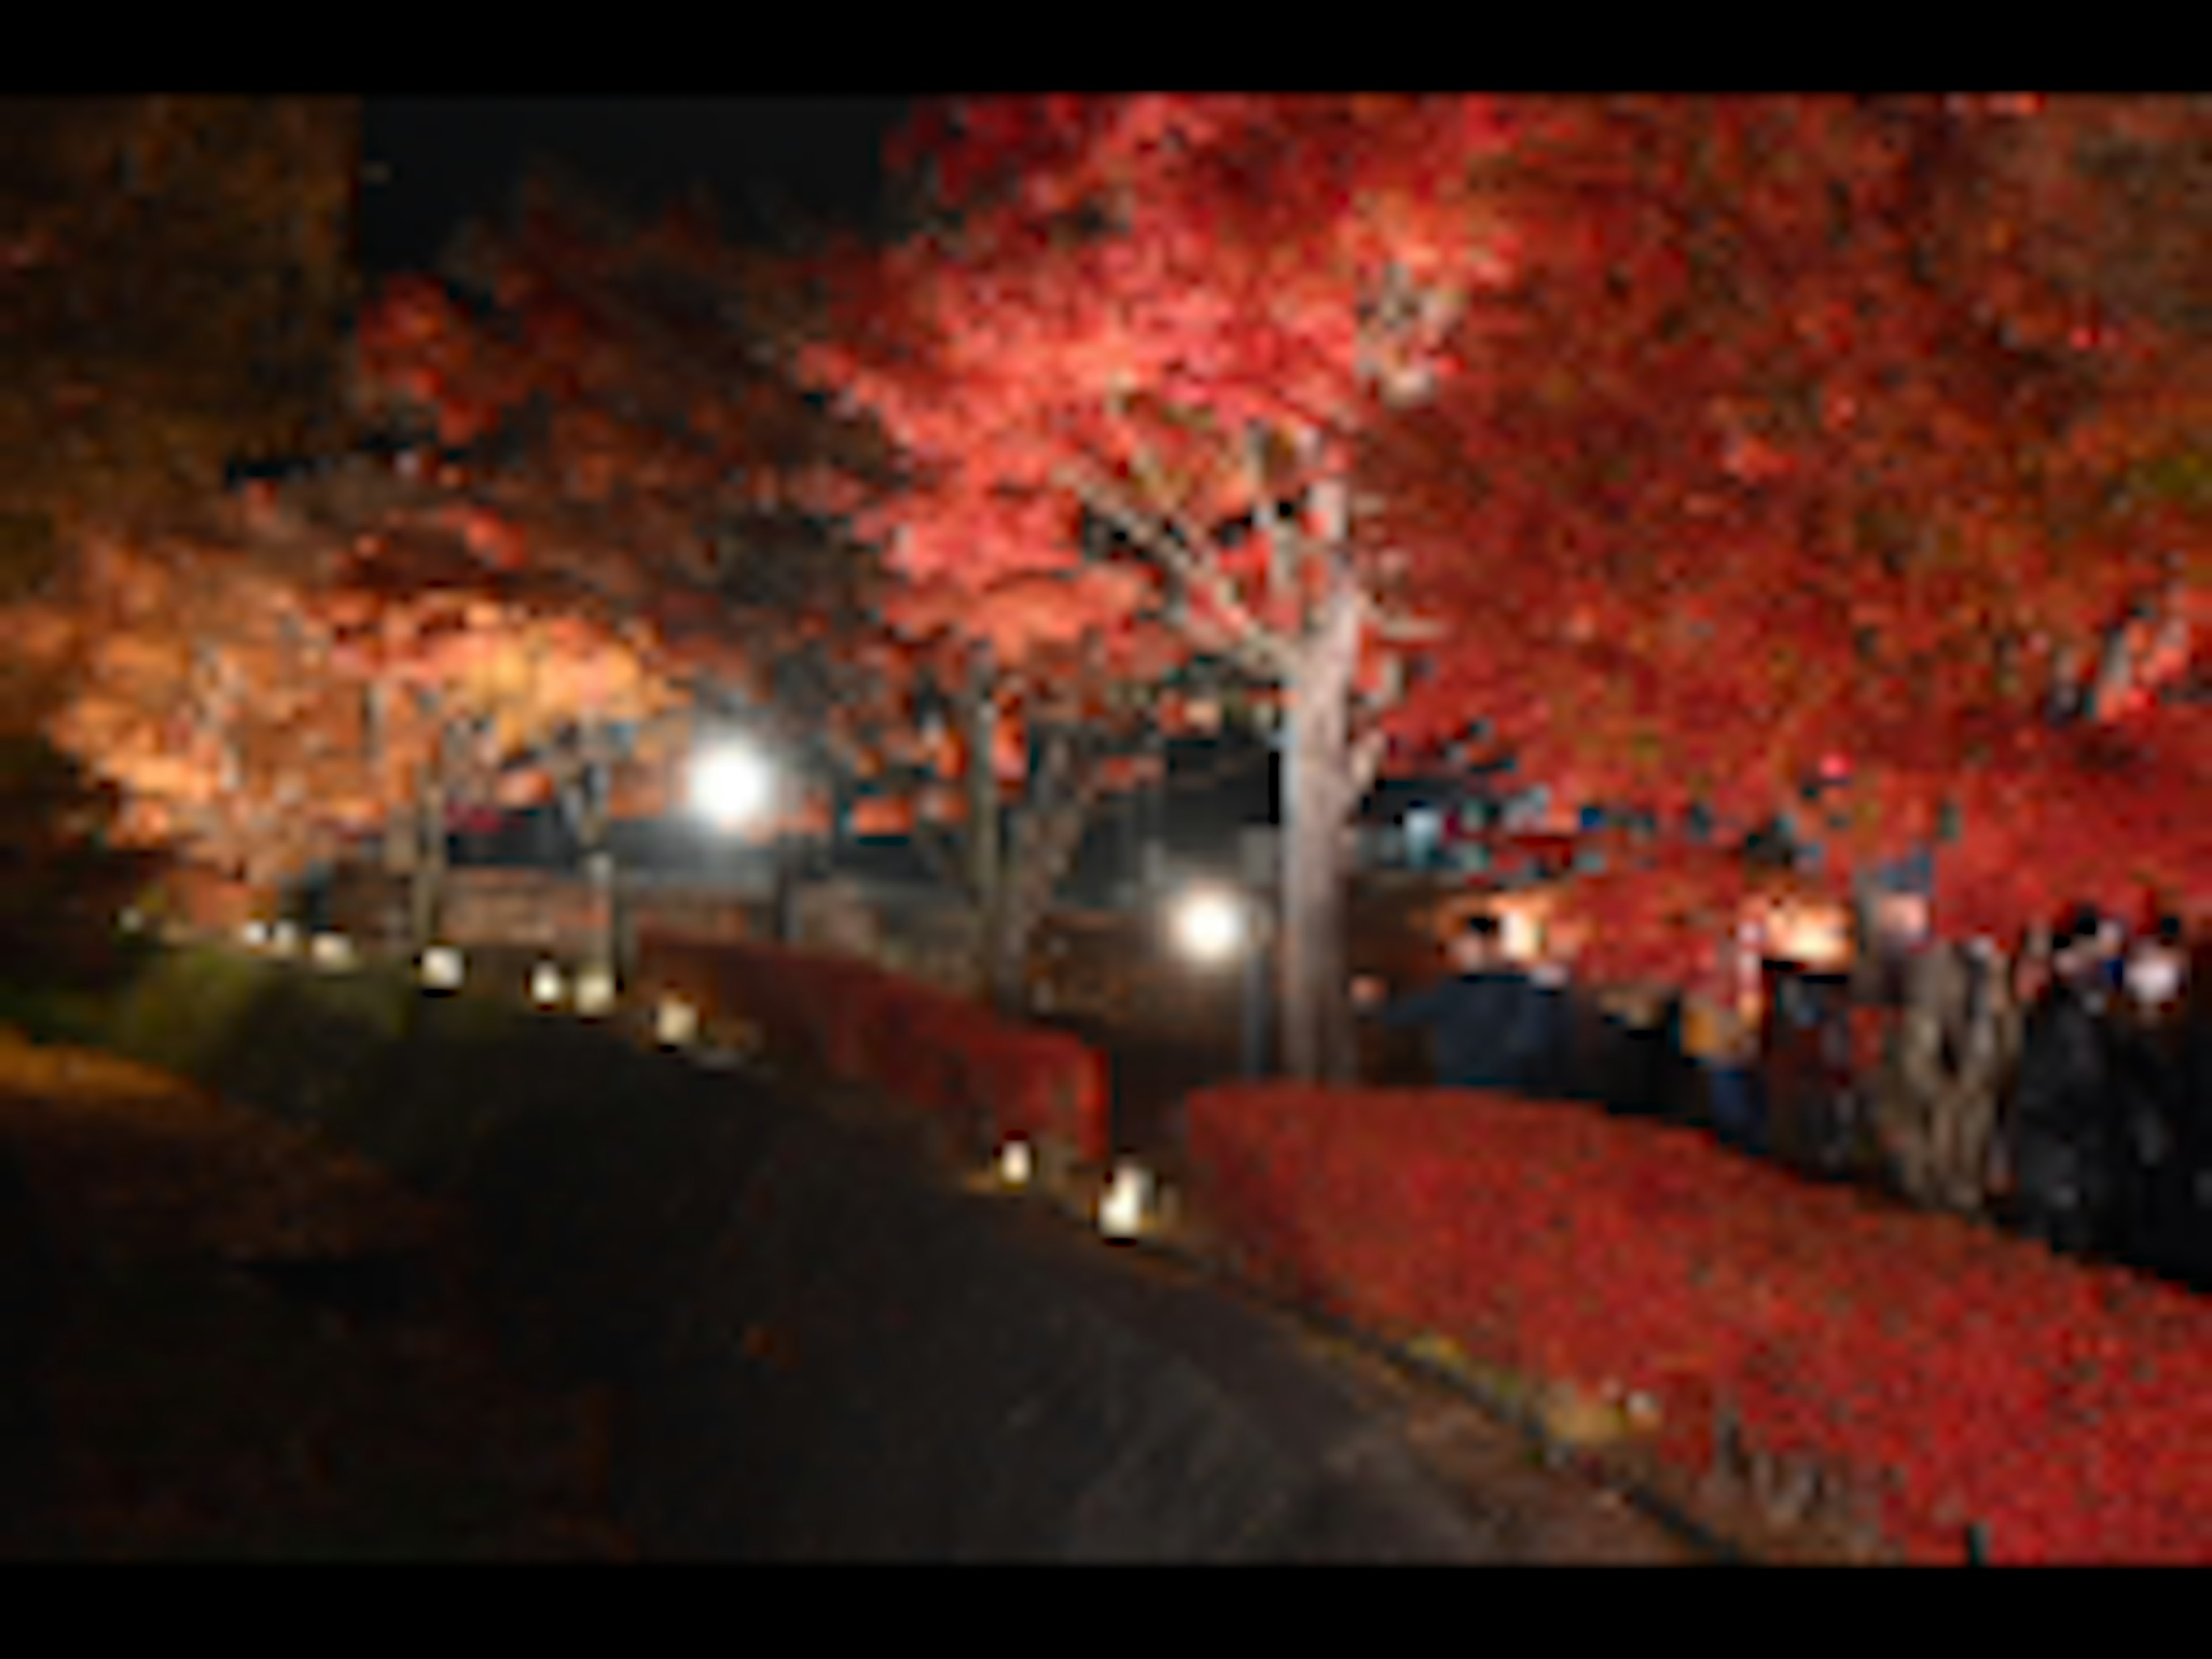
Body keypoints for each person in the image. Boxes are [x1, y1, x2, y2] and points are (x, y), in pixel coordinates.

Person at [2008, 906, 2123, 1260]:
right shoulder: (2058, 1015)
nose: (2104, 964)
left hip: (2079, 1174)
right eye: (2097, 953)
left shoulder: (2100, 1015)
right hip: (2053, 1175)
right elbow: (2040, 1097)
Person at [1350, 912, 1563, 1093]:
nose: (1459, 951)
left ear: (1490, 945)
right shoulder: (1453, 988)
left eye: (1466, 944)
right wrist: (1372, 1003)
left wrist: (1541, 996)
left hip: (1504, 1090)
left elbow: (1532, 1041)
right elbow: (1405, 1014)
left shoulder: (1521, 985)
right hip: (1456, 1087)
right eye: (1458, 945)